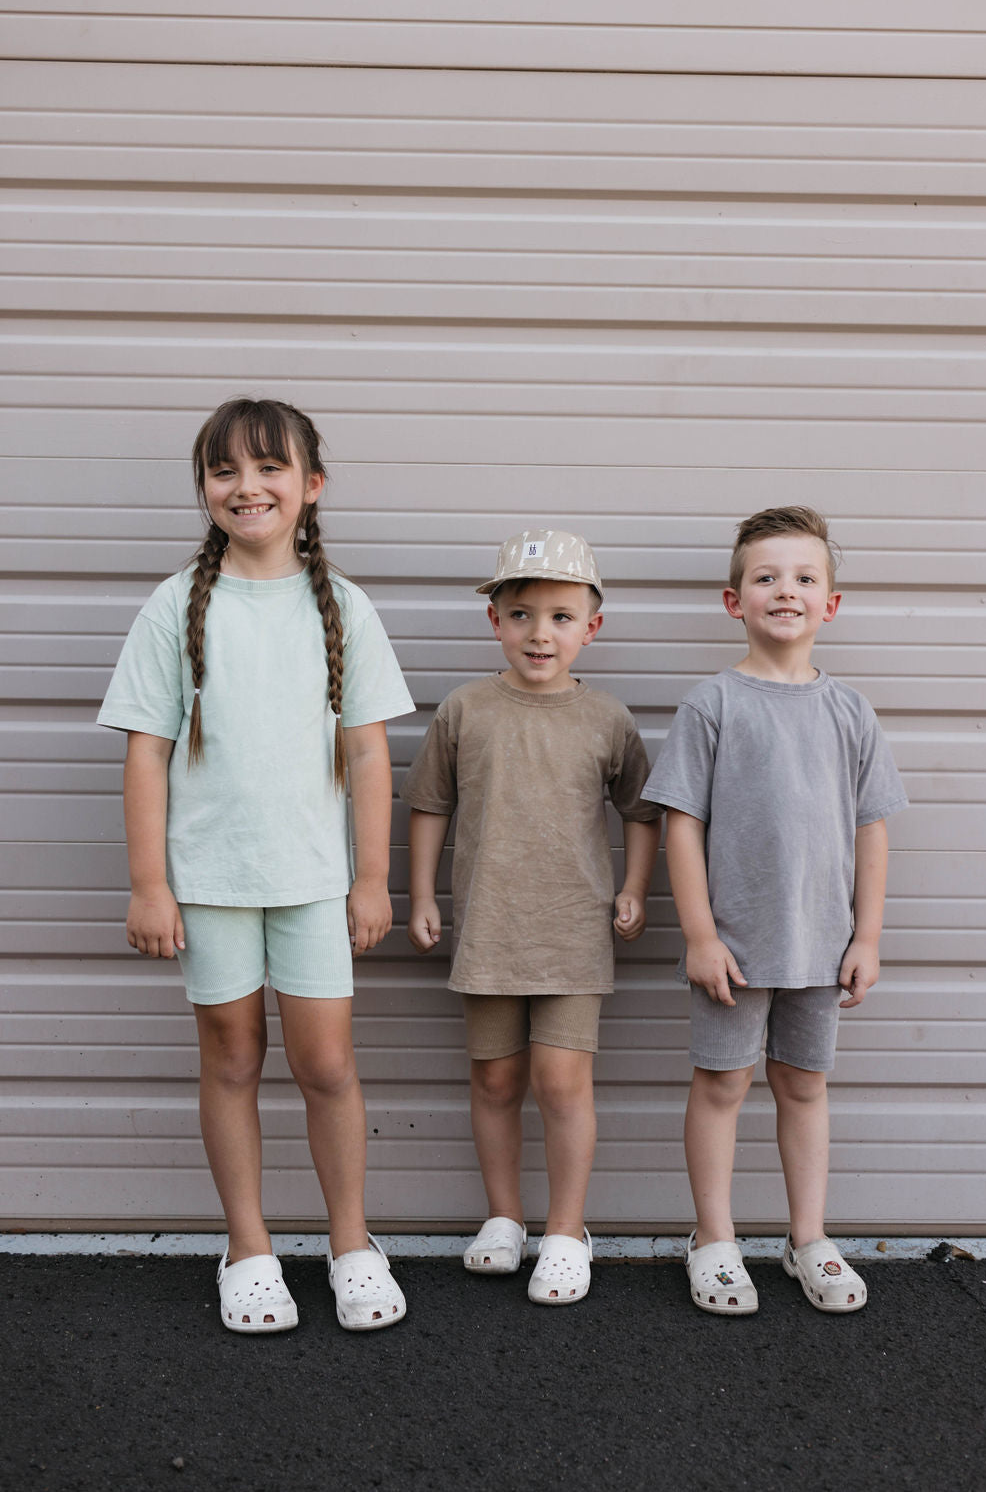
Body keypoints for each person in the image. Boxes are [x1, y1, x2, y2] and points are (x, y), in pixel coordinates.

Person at [98, 398, 415, 1333]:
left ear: (311, 486)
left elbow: (366, 755)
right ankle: (248, 1246)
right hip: (211, 883)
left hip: (316, 881)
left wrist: (370, 877)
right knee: (232, 1058)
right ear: (205, 490)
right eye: (225, 470)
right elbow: (145, 753)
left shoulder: (343, 606)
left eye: (270, 468)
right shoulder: (174, 605)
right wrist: (149, 882)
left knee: (327, 1062)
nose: (248, 486)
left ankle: (351, 1244)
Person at [643, 506, 907, 1316]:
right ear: (735, 601)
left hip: (822, 947)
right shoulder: (712, 704)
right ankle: (715, 1238)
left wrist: (867, 934)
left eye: (803, 578)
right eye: (765, 577)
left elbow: (872, 830)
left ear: (831, 603)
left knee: (803, 1086)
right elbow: (679, 823)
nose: (784, 591)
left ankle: (807, 1238)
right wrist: (697, 933)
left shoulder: (851, 711)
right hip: (735, 945)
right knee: (722, 1084)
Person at [401, 531, 661, 1304]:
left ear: (591, 626)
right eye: (520, 614)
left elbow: (642, 810)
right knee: (494, 1077)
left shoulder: (607, 719)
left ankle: (565, 1230)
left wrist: (636, 889)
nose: (539, 633)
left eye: (558, 616)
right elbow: (428, 804)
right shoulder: (464, 709)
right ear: (495, 621)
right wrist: (419, 897)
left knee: (560, 1081)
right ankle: (504, 1218)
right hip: (489, 928)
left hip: (574, 931)